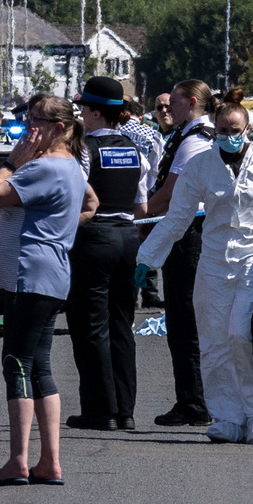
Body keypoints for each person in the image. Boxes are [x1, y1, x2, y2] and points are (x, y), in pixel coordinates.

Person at [135, 102, 253, 444]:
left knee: (243, 335)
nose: (228, 137)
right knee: (213, 343)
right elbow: (178, 217)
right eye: (222, 131)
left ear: (247, 130)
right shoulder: (200, 166)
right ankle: (226, 415)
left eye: (234, 131)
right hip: (213, 264)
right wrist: (146, 258)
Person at [0, 94, 96, 486]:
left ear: (59, 128)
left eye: (37, 122)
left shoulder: (41, 167)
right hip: (50, 273)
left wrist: (12, 161)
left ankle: (19, 460)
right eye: (28, 120)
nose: (29, 130)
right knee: (39, 367)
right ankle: (49, 461)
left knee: (17, 364)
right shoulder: (72, 167)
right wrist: (59, 231)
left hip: (31, 274)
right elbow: (91, 201)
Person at [65, 77, 151, 431]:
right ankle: (125, 410)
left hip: (94, 237)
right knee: (121, 325)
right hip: (128, 237)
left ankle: (100, 410)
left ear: (96, 113)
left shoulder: (84, 151)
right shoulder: (135, 150)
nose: (81, 114)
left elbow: (76, 200)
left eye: (84, 108)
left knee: (90, 327)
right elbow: (142, 206)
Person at [144, 79, 216, 427]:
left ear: (190, 102)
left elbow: (169, 193)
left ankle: (195, 402)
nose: (167, 107)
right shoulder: (186, 135)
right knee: (183, 321)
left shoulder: (196, 141)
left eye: (173, 101)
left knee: (185, 322)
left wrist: (137, 215)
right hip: (184, 233)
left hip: (188, 236)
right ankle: (192, 399)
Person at [120, 94, 164, 308]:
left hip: (115, 200)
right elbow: (157, 170)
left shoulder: (113, 132)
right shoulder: (152, 134)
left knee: (123, 250)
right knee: (147, 245)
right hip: (145, 198)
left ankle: (128, 295)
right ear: (139, 115)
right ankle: (150, 294)